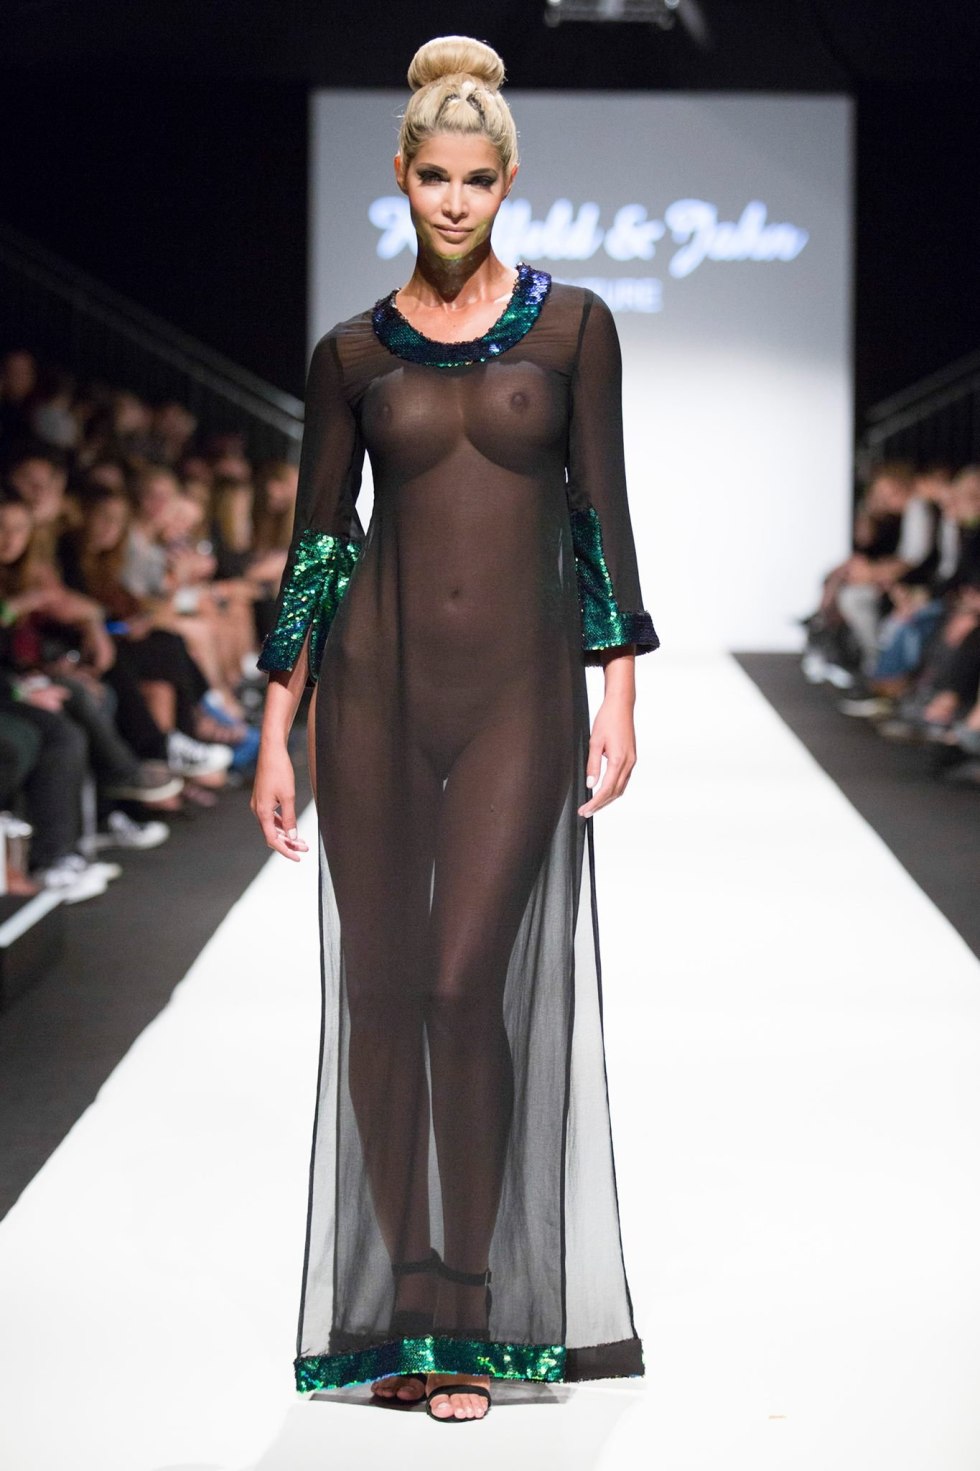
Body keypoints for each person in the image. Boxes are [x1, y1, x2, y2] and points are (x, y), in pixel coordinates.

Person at [251, 33, 660, 1426]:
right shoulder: (352, 353)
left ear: (508, 183)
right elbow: (319, 545)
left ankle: (469, 1313)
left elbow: (599, 514)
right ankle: (400, 1313)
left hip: (517, 703)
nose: (454, 201)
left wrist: (618, 686)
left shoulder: (574, 328)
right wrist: (275, 727)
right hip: (373, 695)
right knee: (381, 996)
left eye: (477, 180)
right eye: (434, 176)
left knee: (461, 986)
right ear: (402, 175)